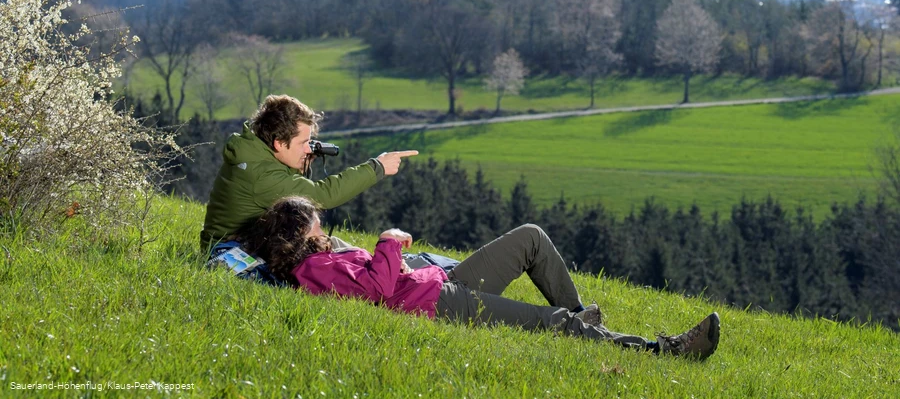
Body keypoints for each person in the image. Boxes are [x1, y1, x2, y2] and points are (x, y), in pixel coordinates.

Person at [239, 195, 721, 360]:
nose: (324, 231)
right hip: (435, 306)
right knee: (551, 324)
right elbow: (379, 291)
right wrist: (386, 241)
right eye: (317, 225)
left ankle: (583, 319)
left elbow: (376, 280)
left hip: (438, 285)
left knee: (530, 236)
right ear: (300, 233)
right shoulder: (313, 269)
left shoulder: (320, 263)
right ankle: (665, 351)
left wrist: (407, 262)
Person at [200, 94, 417, 251]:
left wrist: (298, 166)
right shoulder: (260, 175)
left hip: (244, 241)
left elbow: (285, 196)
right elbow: (322, 195)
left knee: (333, 247)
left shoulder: (255, 152)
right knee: (322, 260)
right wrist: (377, 168)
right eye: (303, 142)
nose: (308, 148)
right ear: (278, 143)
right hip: (229, 252)